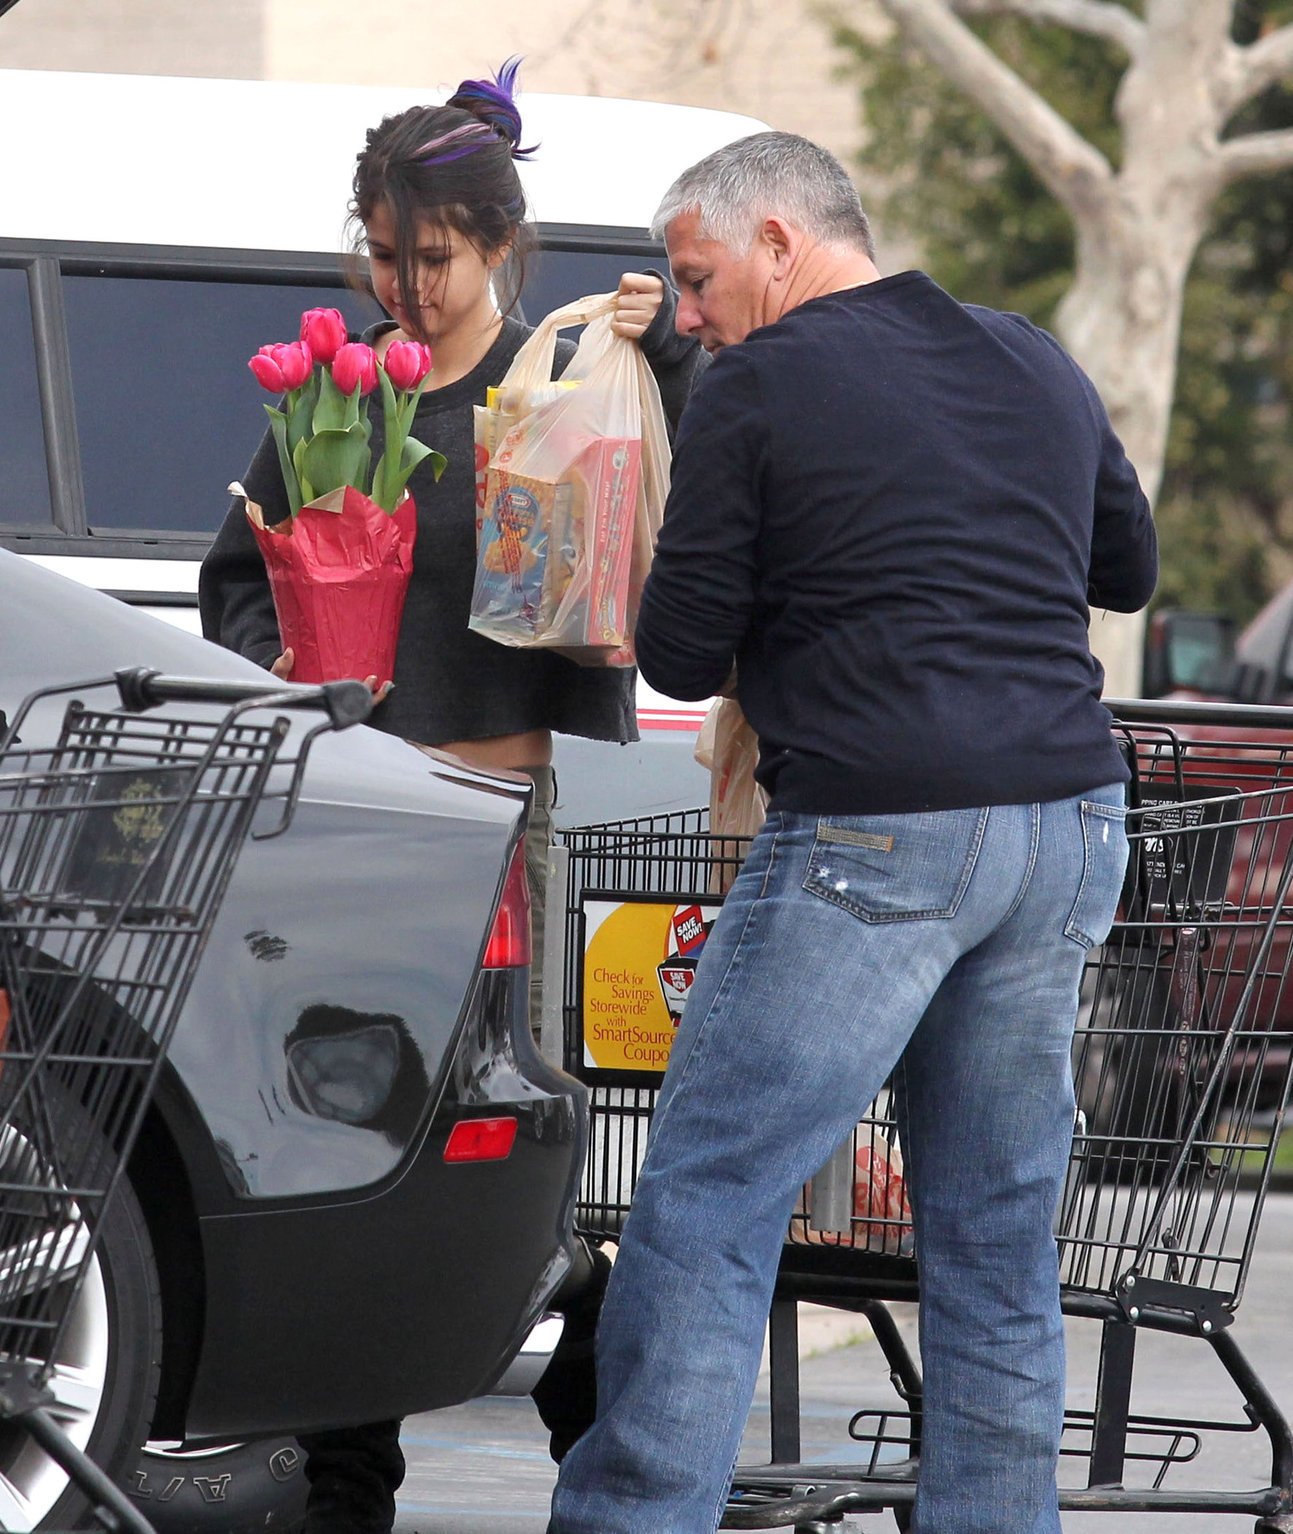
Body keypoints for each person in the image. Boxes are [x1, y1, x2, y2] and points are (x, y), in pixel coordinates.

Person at [547, 131, 1158, 1534]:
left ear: (778, 239)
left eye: (696, 279)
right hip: (1067, 823)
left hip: (880, 830)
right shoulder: (1029, 355)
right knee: (993, 1244)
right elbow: (1123, 564)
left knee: (706, 1206)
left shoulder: (760, 384)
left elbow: (685, 653)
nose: (688, 314)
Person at [199, 60, 703, 1534]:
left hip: (486, 833)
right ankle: (350, 1478)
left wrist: (664, 357)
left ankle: (609, 1435)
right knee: (347, 1146)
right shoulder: (334, 393)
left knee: (493, 1149)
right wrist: (285, 665)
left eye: (433, 255)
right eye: (383, 254)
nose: (404, 287)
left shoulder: (555, 376)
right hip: (346, 836)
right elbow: (239, 579)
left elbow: (667, 505)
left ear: (498, 244)